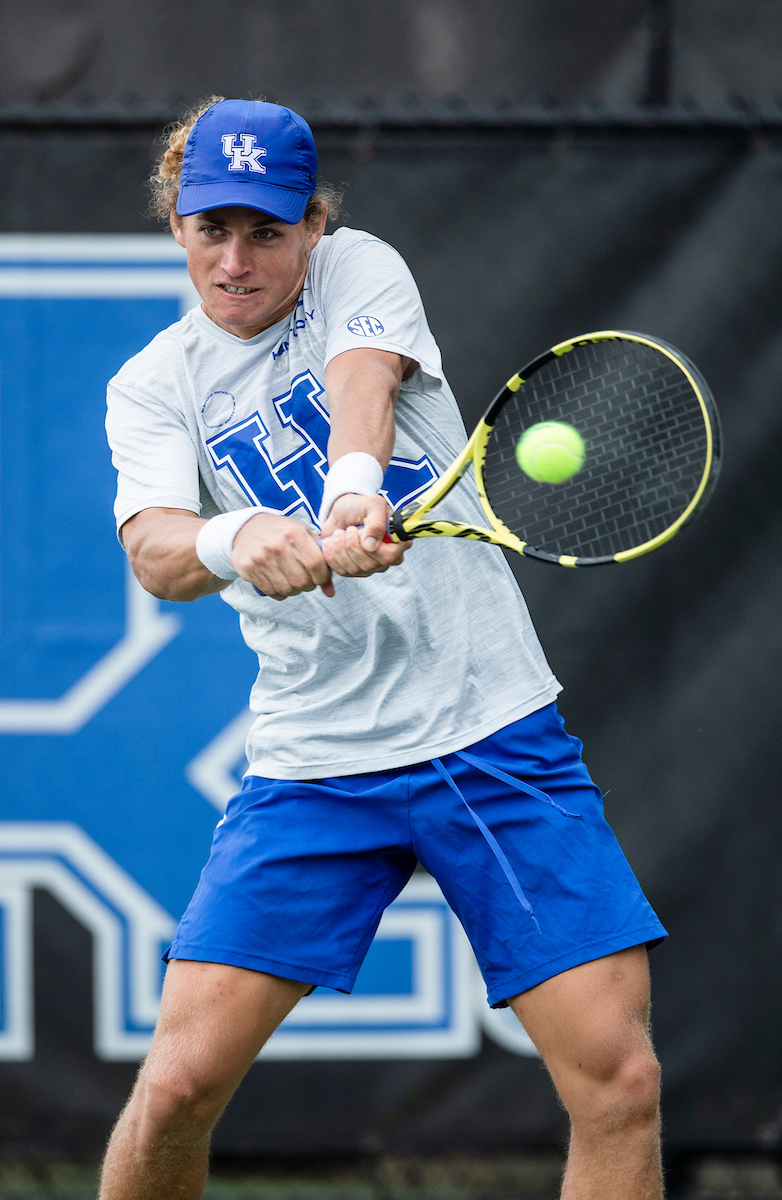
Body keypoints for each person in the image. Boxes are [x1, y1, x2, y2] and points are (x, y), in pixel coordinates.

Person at [100, 97, 667, 1200]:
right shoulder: (149, 387)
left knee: (618, 1082)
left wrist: (350, 492)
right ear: (175, 222)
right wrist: (236, 533)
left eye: (265, 230)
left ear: (312, 225)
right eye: (210, 227)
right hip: (313, 766)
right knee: (174, 1091)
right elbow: (157, 554)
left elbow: (365, 377)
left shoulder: (360, 268)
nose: (235, 258)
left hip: (488, 734)